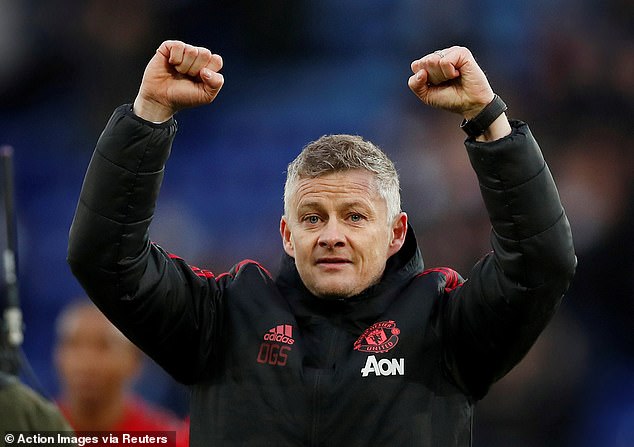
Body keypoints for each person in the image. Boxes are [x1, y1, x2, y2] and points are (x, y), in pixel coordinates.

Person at [67, 40, 576, 446]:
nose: (332, 235)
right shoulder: (222, 317)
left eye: (355, 217)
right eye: (313, 218)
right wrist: (149, 112)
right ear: (288, 235)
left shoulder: (445, 323)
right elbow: (105, 258)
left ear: (396, 232)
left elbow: (541, 263)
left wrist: (488, 119)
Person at [54, 300, 189, 444]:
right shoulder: (39, 428)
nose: (86, 362)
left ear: (135, 359)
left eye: (103, 346)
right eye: (74, 344)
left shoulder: (166, 438)